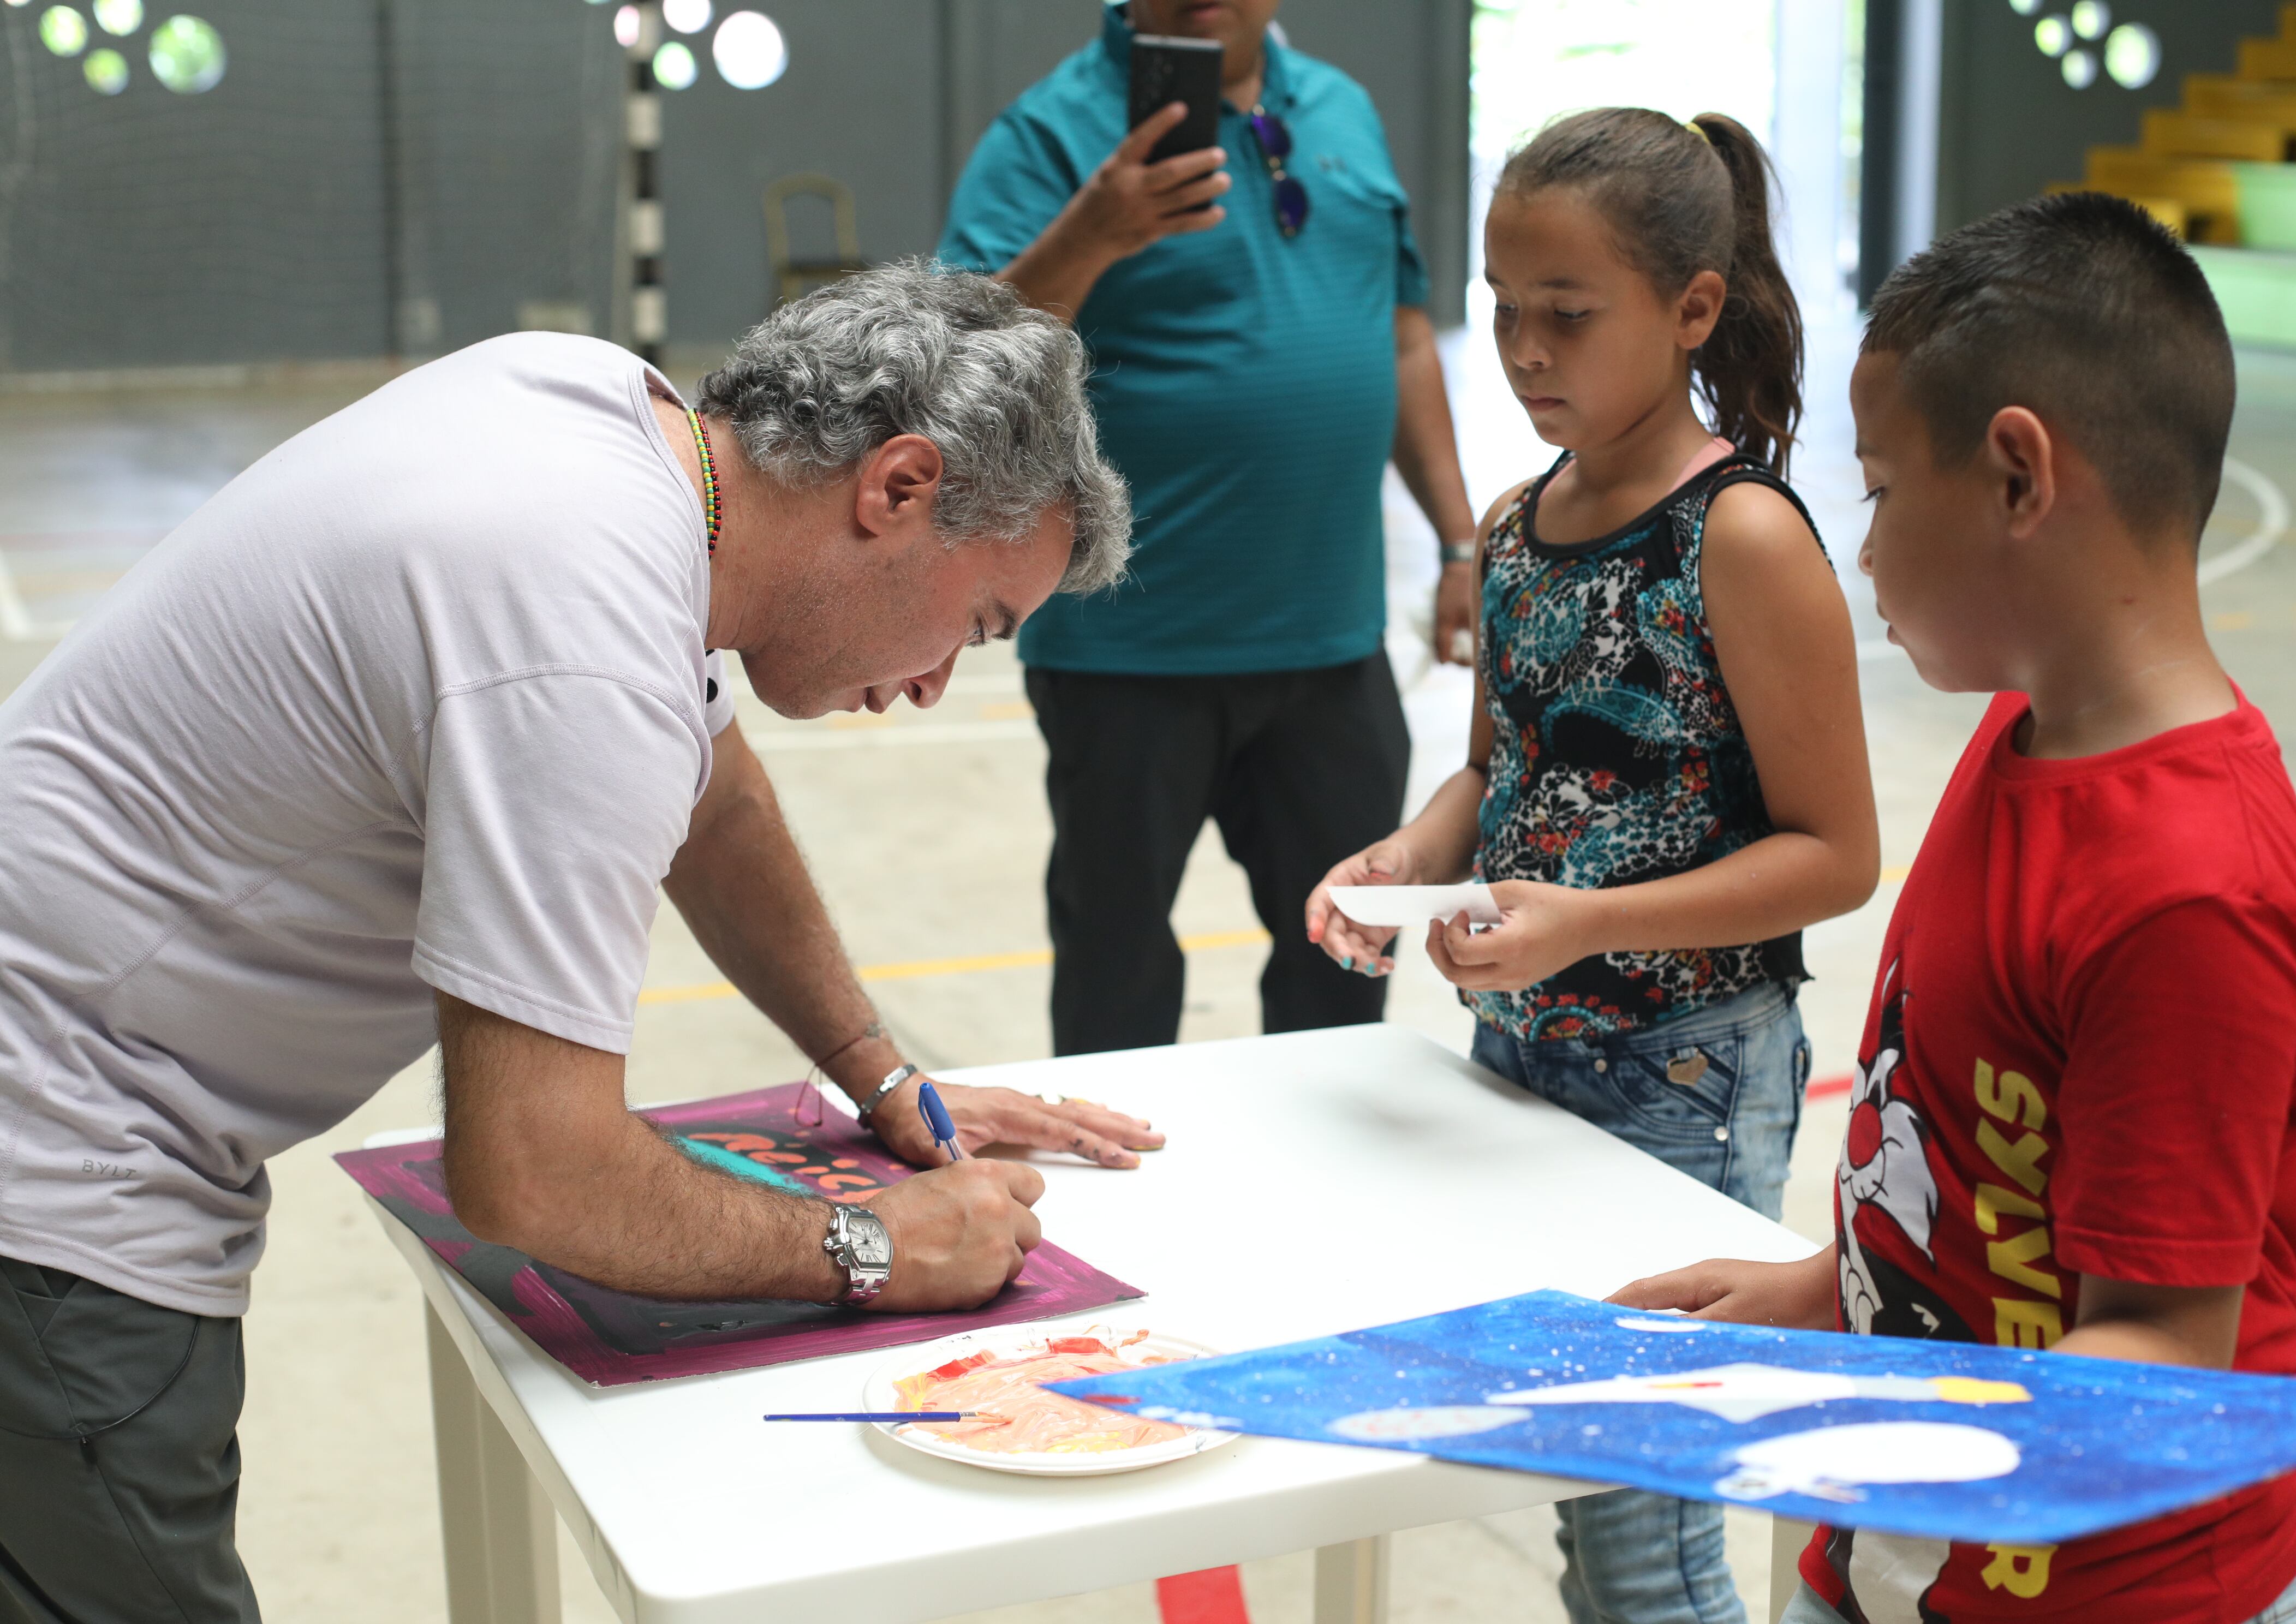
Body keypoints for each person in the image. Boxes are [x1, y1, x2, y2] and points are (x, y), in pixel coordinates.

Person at [0, 262, 1165, 1621]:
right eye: (973, 623)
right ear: (897, 487)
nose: (930, 684)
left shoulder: (600, 419)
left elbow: (713, 804)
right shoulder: (581, 636)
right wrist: (879, 1249)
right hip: (55, 1182)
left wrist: (878, 1076)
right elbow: (536, 1171)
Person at [1619, 193, 2296, 1624]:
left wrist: (1864, 1414)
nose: (1866, 544)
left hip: (2138, 1593)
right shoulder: (2023, 739)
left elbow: (2160, 1341)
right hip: (1929, 1545)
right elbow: (1962, 1139)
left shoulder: (2188, 894)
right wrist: (1839, 1289)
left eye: (1887, 489)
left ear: (2020, 477)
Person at [1307, 110, 1880, 1624]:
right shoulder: (1514, 528)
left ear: (1693, 310)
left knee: (1649, 1536)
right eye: (1501, 310)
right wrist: (1409, 855)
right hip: (1524, 1059)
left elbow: (1838, 855)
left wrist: (1591, 924)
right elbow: (1504, 767)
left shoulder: (1740, 537)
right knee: (1583, 1493)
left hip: (1688, 1076)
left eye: (1568, 315)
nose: (1522, 350)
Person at [936, 0, 1477, 1055]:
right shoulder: (1048, 133)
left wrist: (1461, 543)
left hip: (1331, 644)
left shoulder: (1343, 110)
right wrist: (1091, 234)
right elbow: (958, 356)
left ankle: (1323, 1200)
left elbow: (1404, 336)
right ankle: (1114, 1212)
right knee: (1116, 970)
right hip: (1128, 650)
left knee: (1346, 957)